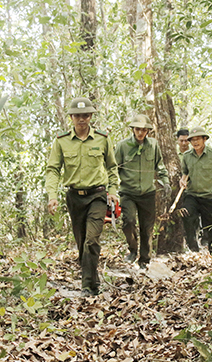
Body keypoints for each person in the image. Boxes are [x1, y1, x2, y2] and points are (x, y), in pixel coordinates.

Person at [45, 97, 119, 297]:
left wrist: (112, 191)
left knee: (91, 240)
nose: (82, 119)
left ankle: (87, 286)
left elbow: (112, 168)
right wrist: (52, 195)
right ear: (71, 117)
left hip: (97, 195)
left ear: (91, 117)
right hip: (74, 198)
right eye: (78, 115)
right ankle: (92, 279)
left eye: (86, 115)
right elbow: (52, 169)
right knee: (81, 243)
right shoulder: (61, 141)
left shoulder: (102, 139)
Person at [114, 115, 170, 269]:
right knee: (129, 222)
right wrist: (110, 189)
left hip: (147, 192)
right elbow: (113, 169)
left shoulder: (153, 145)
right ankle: (132, 249)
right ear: (133, 129)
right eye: (138, 129)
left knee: (147, 227)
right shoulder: (122, 146)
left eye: (143, 130)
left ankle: (144, 259)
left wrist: (165, 182)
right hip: (128, 192)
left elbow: (160, 165)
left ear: (147, 131)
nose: (140, 132)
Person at [180, 126, 212, 255]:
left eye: (198, 139)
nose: (195, 142)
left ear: (204, 139)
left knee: (211, 226)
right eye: (192, 140)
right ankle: (193, 250)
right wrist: (183, 179)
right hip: (191, 195)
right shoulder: (186, 156)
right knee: (186, 215)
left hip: (209, 196)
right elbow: (185, 172)